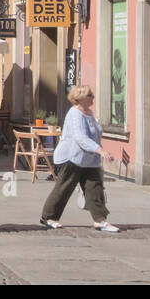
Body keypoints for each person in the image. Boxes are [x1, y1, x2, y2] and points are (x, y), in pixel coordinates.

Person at [40, 85, 120, 232]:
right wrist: (100, 150)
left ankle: (100, 220)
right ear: (80, 97)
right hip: (71, 158)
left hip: (89, 160)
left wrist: (99, 152)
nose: (93, 97)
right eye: (90, 95)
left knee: (94, 188)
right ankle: (49, 217)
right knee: (64, 188)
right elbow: (80, 138)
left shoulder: (89, 113)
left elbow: (94, 135)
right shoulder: (74, 114)